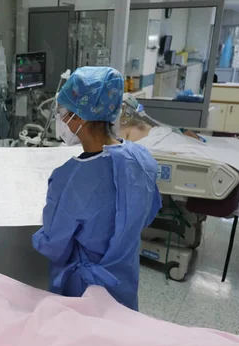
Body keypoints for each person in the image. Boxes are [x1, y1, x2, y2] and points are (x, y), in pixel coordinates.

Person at [32, 67, 162, 311]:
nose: (61, 118)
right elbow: (147, 213)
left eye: (63, 112)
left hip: (86, 290)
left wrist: (37, 235)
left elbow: (53, 245)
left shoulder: (71, 179)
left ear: (80, 118)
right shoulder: (142, 158)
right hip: (123, 277)